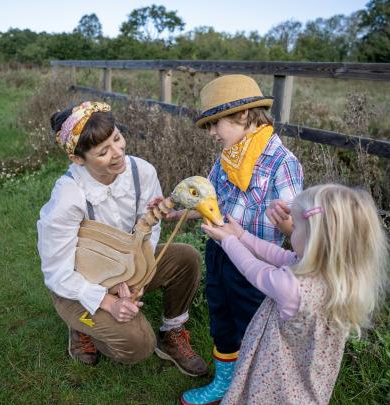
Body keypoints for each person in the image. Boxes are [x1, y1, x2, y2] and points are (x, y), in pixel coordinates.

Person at [37, 101, 208, 376]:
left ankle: (172, 331)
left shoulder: (143, 172)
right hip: (80, 281)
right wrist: (108, 302)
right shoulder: (67, 198)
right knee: (138, 345)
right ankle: (82, 327)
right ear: (78, 159)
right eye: (103, 151)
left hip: (126, 264)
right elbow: (56, 272)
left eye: (117, 138)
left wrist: (137, 274)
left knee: (186, 257)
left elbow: (149, 227)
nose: (118, 154)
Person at [176, 74, 304, 405]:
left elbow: (298, 234)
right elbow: (211, 203)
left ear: (244, 116)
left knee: (253, 327)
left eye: (215, 123)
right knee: (222, 320)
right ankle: (224, 384)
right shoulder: (227, 159)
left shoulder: (282, 163)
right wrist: (179, 213)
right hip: (220, 253)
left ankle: (255, 390)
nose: (213, 133)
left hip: (256, 264)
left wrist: (287, 223)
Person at [200, 184, 388, 405]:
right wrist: (242, 235)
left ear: (315, 239)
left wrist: (227, 240)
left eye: (295, 227)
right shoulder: (340, 278)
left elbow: (253, 269)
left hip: (275, 377)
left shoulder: (293, 287)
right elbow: (278, 255)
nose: (290, 231)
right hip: (309, 377)